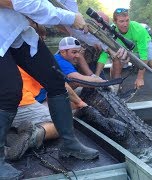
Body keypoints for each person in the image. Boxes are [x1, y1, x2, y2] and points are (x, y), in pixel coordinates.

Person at [0, 1, 98, 179]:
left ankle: (70, 144)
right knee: (10, 91)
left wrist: (106, 46)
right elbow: (21, 1)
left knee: (55, 80)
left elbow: (72, 21)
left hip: (15, 29)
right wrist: (70, 18)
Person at [6, 67, 88, 160]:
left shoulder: (8, 58)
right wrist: (79, 102)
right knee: (60, 124)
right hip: (17, 102)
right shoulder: (34, 58)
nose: (77, 55)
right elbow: (58, 83)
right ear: (64, 52)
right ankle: (32, 137)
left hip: (5, 107)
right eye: (74, 52)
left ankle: (9, 132)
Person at [111, 8, 152, 99]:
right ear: (114, 21)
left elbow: (144, 55)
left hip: (144, 45)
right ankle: (116, 91)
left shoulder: (138, 29)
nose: (125, 24)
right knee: (114, 66)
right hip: (126, 48)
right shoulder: (111, 31)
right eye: (121, 21)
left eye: (127, 20)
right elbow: (105, 54)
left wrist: (140, 77)